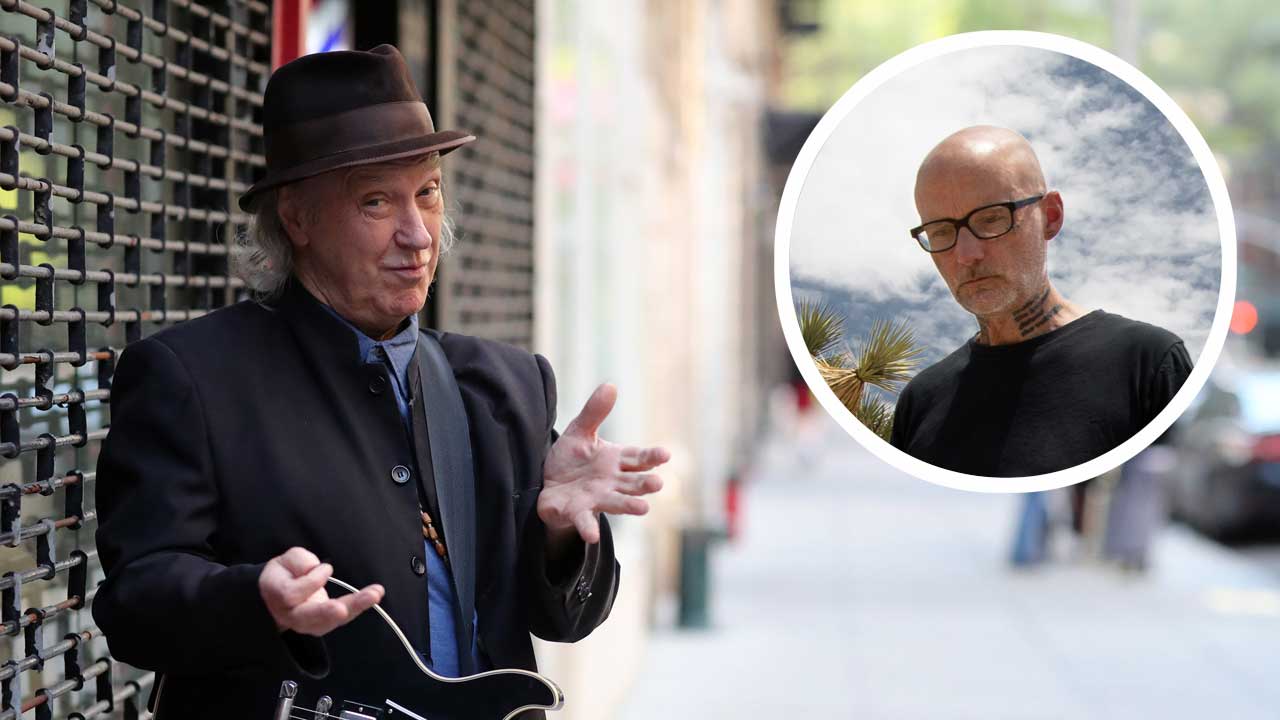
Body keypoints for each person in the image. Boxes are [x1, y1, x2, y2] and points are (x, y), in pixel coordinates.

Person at [92, 45, 668, 718]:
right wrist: (255, 601)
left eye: (426, 192)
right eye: (375, 201)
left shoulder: (507, 385)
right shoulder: (189, 377)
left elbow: (565, 623)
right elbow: (134, 603)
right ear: (296, 219)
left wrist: (565, 537)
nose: (417, 234)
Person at [889, 125, 1192, 477]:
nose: (967, 253)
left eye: (991, 219)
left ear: (1051, 216)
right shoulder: (922, 401)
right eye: (942, 231)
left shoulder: (1147, 364)